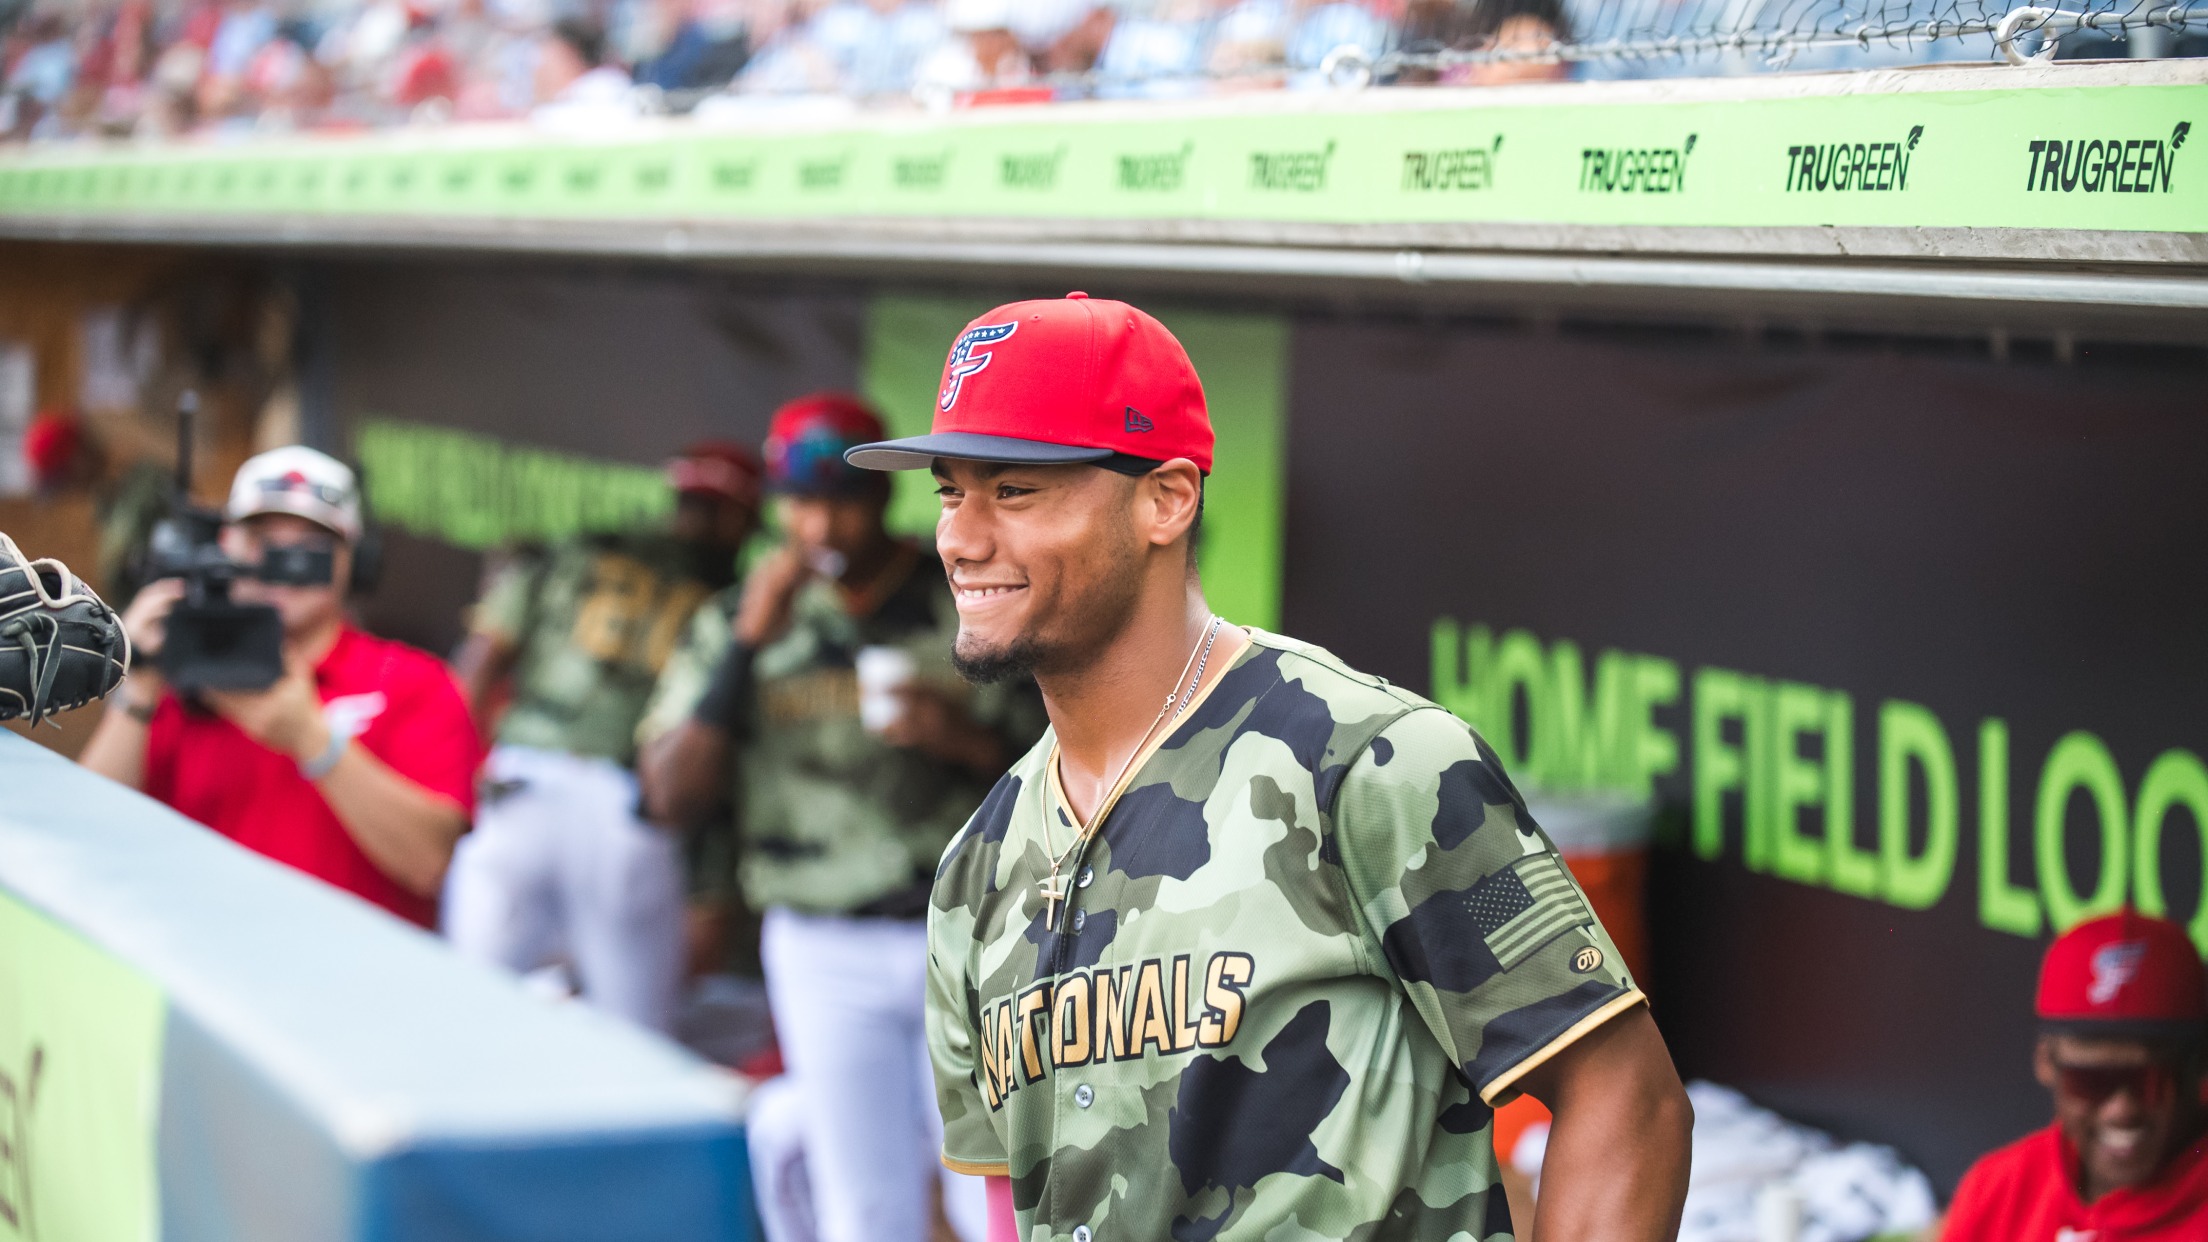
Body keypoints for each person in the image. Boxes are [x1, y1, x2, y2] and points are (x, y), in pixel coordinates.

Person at [843, 292, 1696, 1241]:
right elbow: (1011, 1204)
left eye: (1013, 490)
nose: (960, 538)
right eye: (950, 492)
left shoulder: (1371, 764)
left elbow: (1627, 1103)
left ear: (1166, 499)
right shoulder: (977, 866)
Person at [636, 392, 1042, 1242]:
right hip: (820, 939)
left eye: (842, 503)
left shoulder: (964, 599)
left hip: (964, 932)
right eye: (801, 503)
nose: (820, 527)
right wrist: (747, 642)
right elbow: (670, 795)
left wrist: (959, 738)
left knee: (993, 1200)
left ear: (883, 496)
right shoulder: (744, 616)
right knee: (863, 1206)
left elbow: (1068, 773)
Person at [80, 446, 478, 929]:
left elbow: (431, 863)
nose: (281, 562)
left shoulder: (415, 681)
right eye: (261, 540)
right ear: (224, 544)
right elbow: (89, 830)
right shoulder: (184, 671)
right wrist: (139, 677)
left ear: (354, 560)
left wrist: (314, 740)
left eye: (310, 546)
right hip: (202, 955)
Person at [443, 441, 760, 1033]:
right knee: (633, 1031)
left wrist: (457, 770)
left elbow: (480, 661)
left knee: (469, 1001)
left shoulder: (581, 547)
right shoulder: (732, 601)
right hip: (625, 806)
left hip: (520, 780)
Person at [1943, 909, 2208, 1241]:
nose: (2121, 1110)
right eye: (2092, 1082)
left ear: (2199, 1066)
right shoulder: (1998, 1188)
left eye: (2150, 1082)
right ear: (2045, 1063)